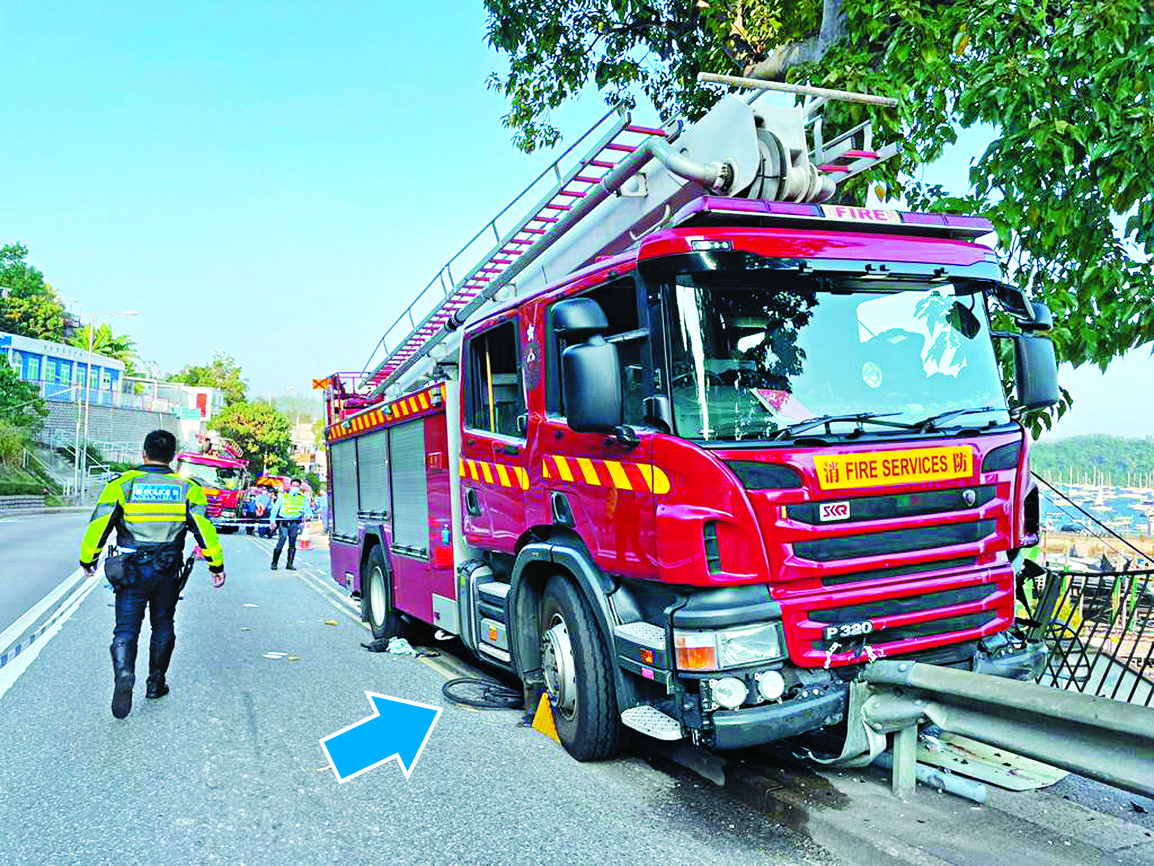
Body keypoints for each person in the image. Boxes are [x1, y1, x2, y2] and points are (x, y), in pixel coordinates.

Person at [79, 429, 227, 720]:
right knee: (163, 624)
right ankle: (156, 684)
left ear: (143, 453)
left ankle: (124, 673)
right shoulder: (188, 488)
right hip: (167, 569)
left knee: (125, 629)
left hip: (130, 570)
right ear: (173, 457)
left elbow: (99, 525)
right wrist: (216, 565)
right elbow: (204, 530)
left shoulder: (122, 485)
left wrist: (88, 559)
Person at [269, 477, 313, 570]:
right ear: (290, 486)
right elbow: (274, 510)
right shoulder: (283, 497)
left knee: (292, 544)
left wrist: (308, 518)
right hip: (283, 522)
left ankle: (289, 564)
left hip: (294, 523)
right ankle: (274, 563)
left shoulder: (302, 498)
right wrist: (272, 521)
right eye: (293, 486)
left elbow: (308, 511)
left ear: (299, 487)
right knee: (282, 540)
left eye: (297, 486)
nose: (295, 488)